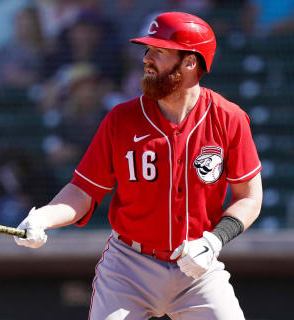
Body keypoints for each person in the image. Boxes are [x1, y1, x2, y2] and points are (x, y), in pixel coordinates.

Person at [14, 12, 263, 319]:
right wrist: (43, 217)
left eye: (159, 51)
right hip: (129, 265)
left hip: (199, 264)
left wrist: (214, 240)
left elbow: (249, 197)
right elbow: (84, 190)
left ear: (189, 62)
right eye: (147, 50)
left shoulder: (228, 118)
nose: (147, 58)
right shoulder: (122, 118)